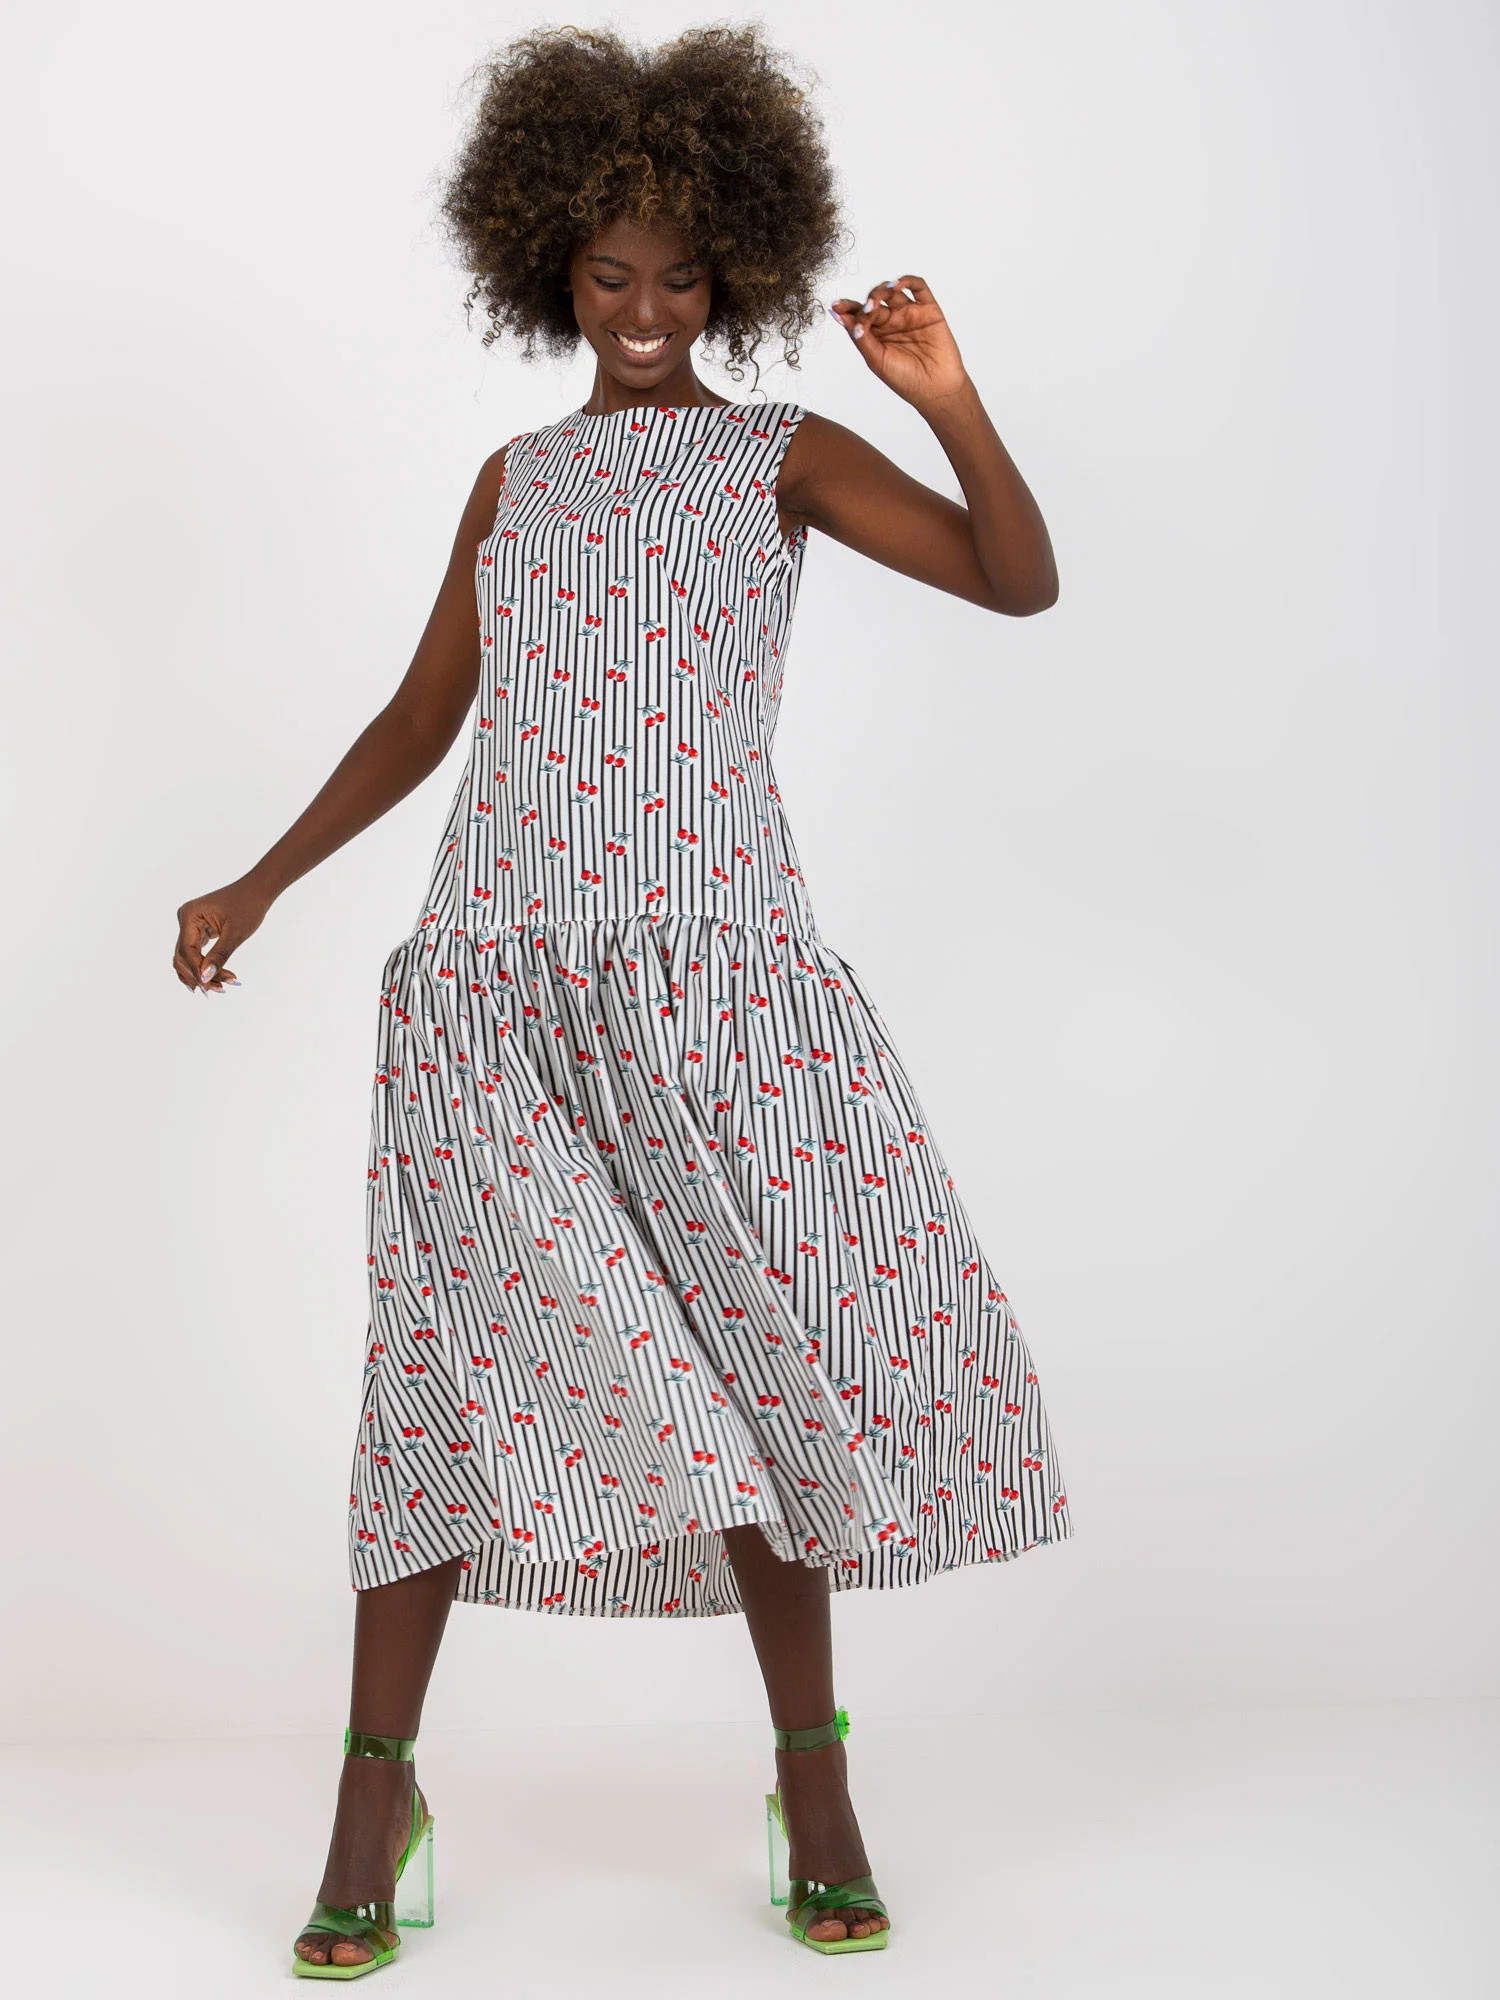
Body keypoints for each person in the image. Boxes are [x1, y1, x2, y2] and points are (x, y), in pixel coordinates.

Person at [173, 22, 1073, 1977]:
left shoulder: (784, 458)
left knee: (752, 1371)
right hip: (496, 985)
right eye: (608, 275)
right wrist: (261, 878)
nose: (646, 312)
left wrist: (951, 400)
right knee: (432, 1374)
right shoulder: (517, 481)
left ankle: (815, 1785)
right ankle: (372, 1796)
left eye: (680, 276)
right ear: (549, 270)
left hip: (714, 991)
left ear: (735, 272)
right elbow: (422, 719)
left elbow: (1018, 581)